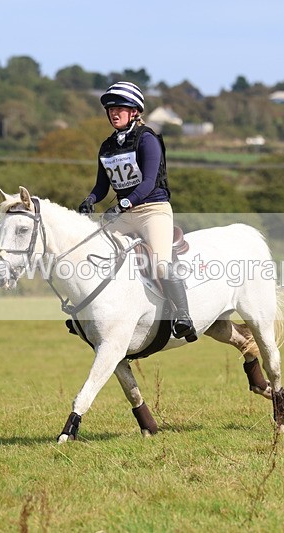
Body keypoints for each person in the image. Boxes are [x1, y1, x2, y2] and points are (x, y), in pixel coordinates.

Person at [78, 81, 196, 342]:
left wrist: (123, 204)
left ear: (134, 111)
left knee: (162, 263)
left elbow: (148, 182)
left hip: (153, 210)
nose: (114, 113)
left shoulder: (148, 139)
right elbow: (101, 186)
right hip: (126, 212)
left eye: (120, 108)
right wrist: (90, 200)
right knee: (94, 250)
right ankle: (88, 313)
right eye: (110, 109)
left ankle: (183, 317)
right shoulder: (107, 146)